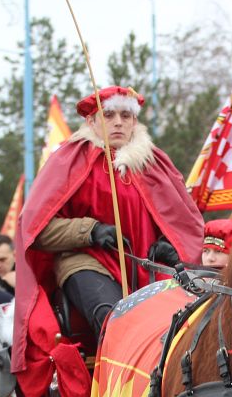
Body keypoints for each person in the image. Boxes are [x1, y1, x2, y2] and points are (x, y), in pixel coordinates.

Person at [22, 85, 204, 343]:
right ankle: (117, 381)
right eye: (109, 115)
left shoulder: (155, 164)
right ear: (92, 120)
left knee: (188, 314)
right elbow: (37, 231)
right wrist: (91, 231)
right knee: (116, 319)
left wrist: (169, 244)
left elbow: (183, 223)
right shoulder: (66, 161)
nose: (118, 122)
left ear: (134, 121)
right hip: (87, 262)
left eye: (125, 116)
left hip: (145, 265)